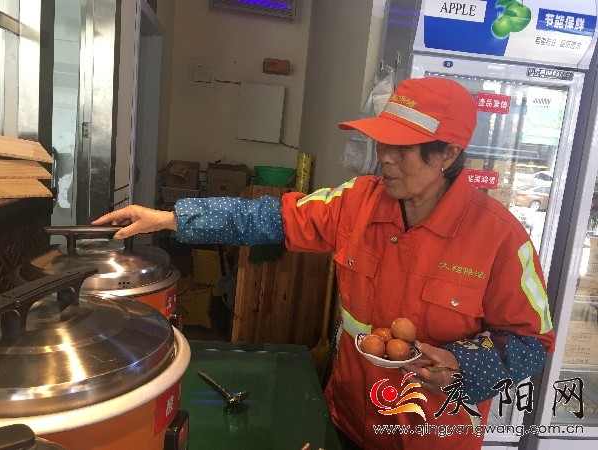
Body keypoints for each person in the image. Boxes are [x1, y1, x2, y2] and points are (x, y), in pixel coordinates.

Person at [93, 77, 555, 450]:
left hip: (434, 435)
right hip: (350, 418)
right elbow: (270, 218)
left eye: (403, 147)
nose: (384, 158)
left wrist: (462, 364)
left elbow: (532, 341)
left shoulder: (500, 238)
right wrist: (170, 218)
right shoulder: (358, 202)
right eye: (383, 142)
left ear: (448, 154)